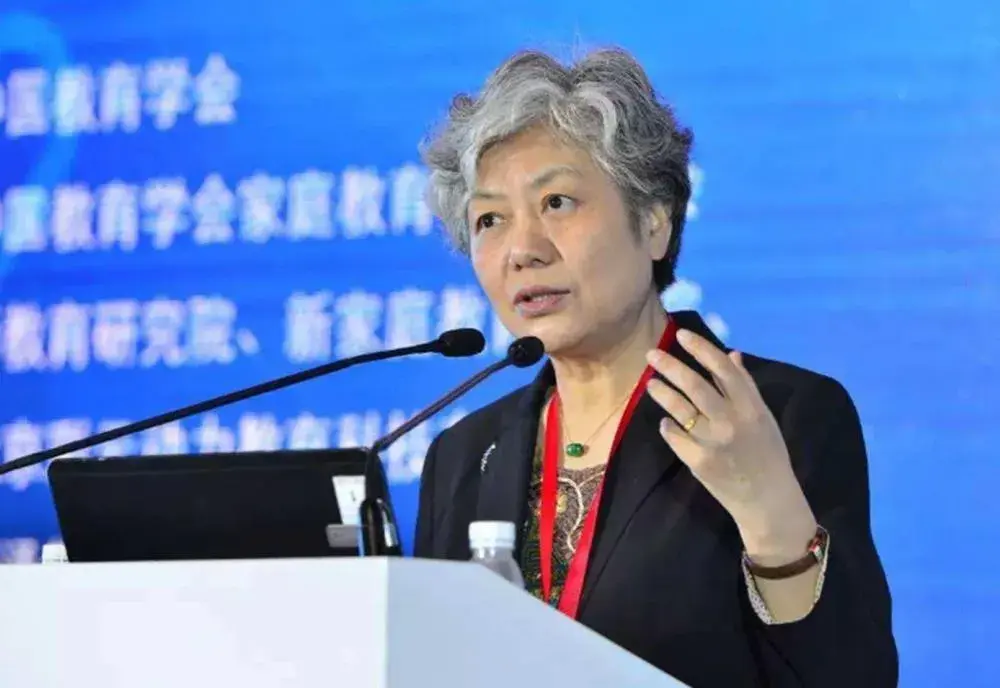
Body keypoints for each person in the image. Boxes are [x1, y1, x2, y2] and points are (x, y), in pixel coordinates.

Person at [413, 46, 898, 687]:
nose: (522, 250)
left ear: (653, 223)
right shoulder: (460, 457)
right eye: (490, 219)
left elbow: (851, 676)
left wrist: (770, 515)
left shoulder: (777, 414)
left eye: (557, 202)